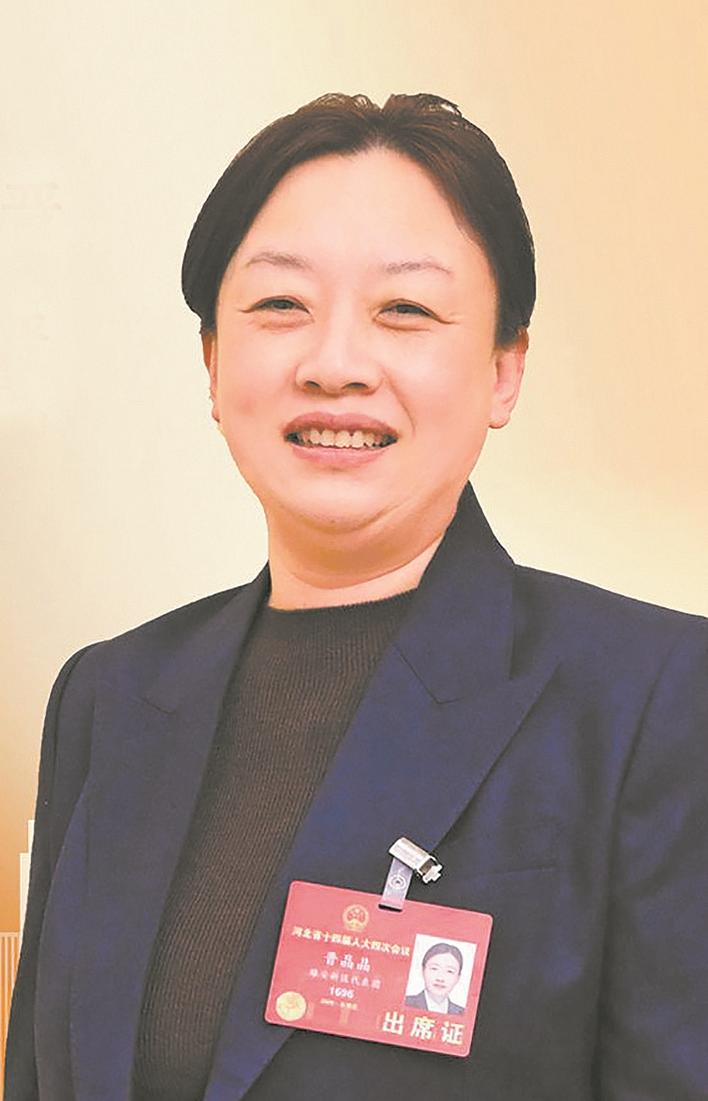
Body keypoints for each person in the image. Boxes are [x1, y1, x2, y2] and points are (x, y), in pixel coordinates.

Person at [4, 92, 707, 1101]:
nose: (334, 365)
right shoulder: (107, 697)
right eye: (280, 305)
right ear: (212, 361)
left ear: (504, 370)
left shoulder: (657, 699)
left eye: (404, 310)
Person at [405, 942, 465, 1015]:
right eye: (434, 968)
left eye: (450, 971)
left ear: (458, 978)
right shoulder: (405, 1003)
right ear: (423, 970)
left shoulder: (462, 1013)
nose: (440, 978)